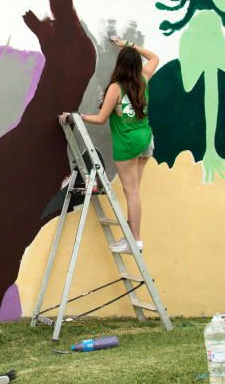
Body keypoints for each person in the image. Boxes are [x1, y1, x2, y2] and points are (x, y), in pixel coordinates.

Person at [65, 36, 159, 252]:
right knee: (134, 192)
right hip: (146, 141)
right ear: (136, 65)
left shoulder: (116, 88)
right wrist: (128, 44)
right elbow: (154, 57)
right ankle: (131, 237)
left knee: (131, 192)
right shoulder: (144, 79)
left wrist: (77, 116)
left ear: (119, 65)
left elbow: (101, 119)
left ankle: (134, 240)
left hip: (128, 144)